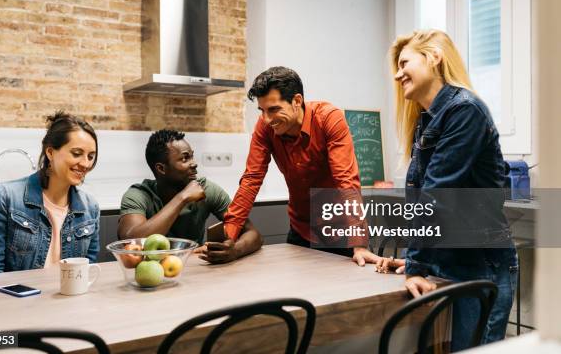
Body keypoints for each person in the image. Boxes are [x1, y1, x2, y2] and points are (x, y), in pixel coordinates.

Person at [377, 30, 517, 351]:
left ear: (434, 58)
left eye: (404, 63)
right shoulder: (428, 118)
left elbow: (437, 196)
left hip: (479, 266)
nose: (398, 75)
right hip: (448, 262)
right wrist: (419, 262)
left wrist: (415, 265)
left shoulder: (464, 110)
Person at [223, 66, 380, 265]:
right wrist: (229, 236)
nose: (266, 119)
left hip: (342, 232)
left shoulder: (329, 119)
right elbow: (251, 179)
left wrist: (359, 242)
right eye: (262, 110)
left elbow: (346, 181)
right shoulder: (265, 127)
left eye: (273, 109)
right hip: (300, 231)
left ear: (297, 101)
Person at [0, 111, 100, 275]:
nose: (85, 163)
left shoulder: (90, 208)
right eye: (77, 153)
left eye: (91, 156)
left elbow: (86, 273)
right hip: (14, 299)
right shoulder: (4, 197)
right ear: (50, 153)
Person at [118, 129, 262, 264]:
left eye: (192, 156)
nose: (194, 164)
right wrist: (183, 197)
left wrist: (234, 251)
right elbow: (131, 244)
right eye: (185, 158)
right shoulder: (138, 195)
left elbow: (254, 234)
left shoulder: (206, 189)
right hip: (150, 273)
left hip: (194, 270)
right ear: (161, 168)